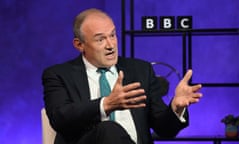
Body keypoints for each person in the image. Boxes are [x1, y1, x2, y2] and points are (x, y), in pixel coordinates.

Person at [42, 8, 202, 144]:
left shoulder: (140, 70)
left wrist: (176, 108)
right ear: (79, 45)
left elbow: (164, 129)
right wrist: (105, 105)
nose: (111, 45)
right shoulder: (58, 75)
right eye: (100, 39)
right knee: (108, 128)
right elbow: (60, 118)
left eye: (112, 35)